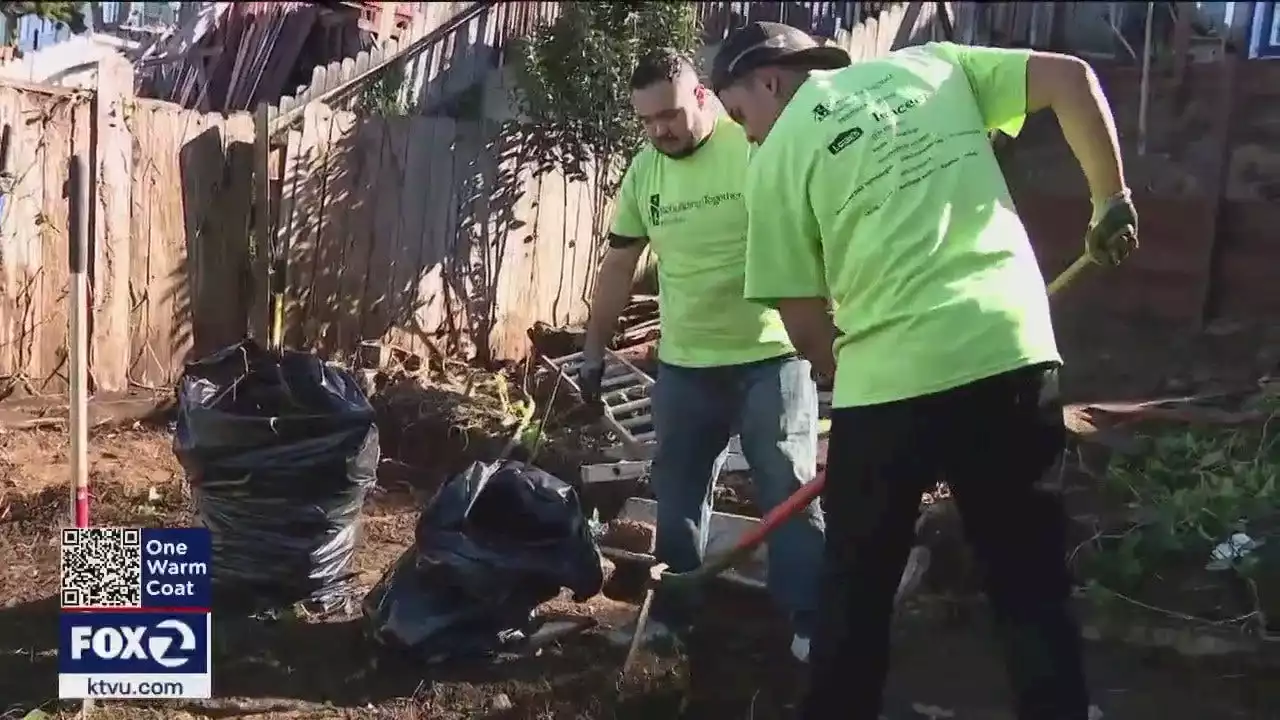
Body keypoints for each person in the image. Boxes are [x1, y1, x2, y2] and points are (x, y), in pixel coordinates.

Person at [710, 22, 1138, 720]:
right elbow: (1071, 78)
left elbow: (801, 314)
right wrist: (1109, 199)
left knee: (856, 595)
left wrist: (843, 377)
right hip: (1008, 354)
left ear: (770, 79)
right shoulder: (933, 66)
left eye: (739, 115)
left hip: (886, 386)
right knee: (1028, 582)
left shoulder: (777, 156)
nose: (746, 134)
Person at [578, 47, 826, 662]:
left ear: (701, 96)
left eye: (668, 113)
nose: (660, 129)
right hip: (687, 366)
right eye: (646, 121)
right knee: (681, 492)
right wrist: (592, 346)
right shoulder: (645, 174)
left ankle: (811, 623)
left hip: (771, 354)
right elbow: (618, 263)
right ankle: (674, 616)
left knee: (787, 486)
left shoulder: (755, 144)